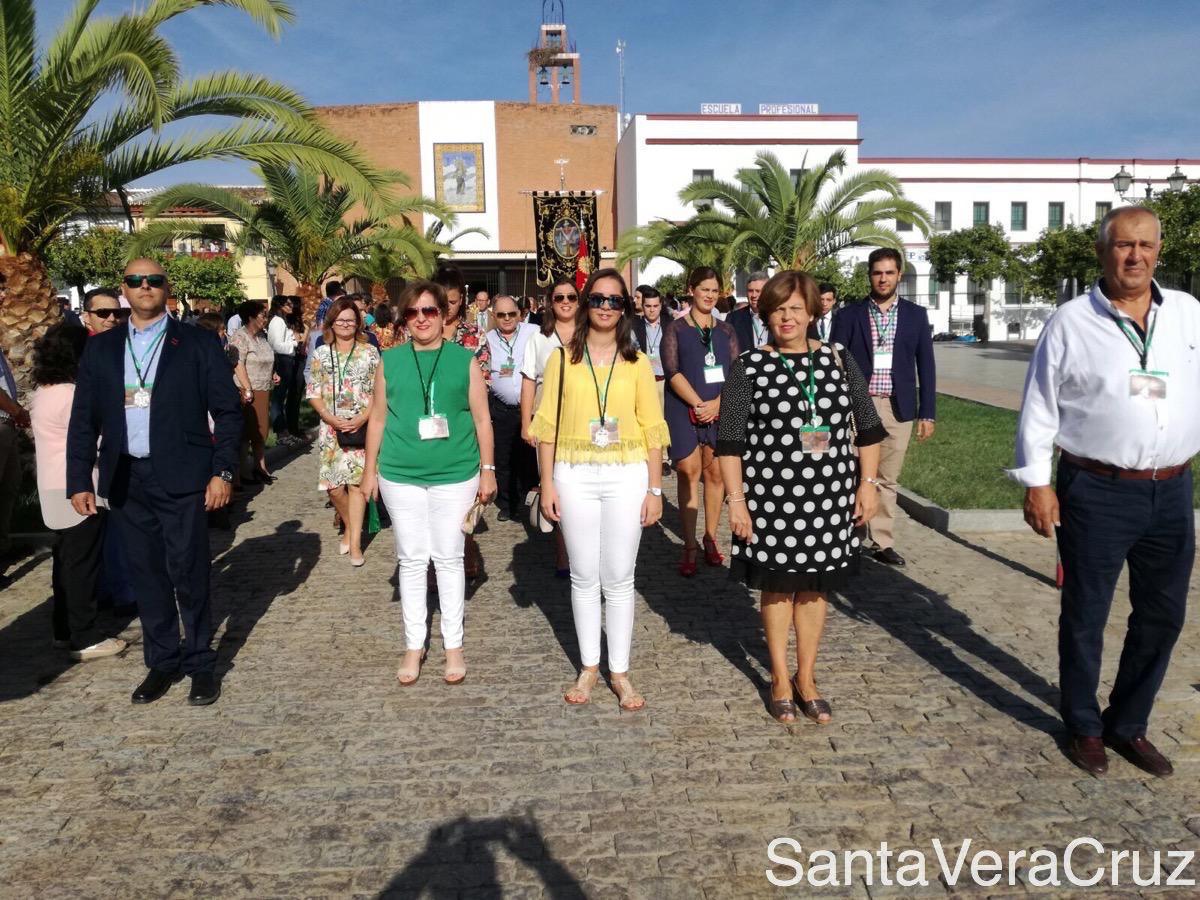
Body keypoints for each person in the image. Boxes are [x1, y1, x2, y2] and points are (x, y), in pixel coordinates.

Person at [1010, 206, 1197, 779]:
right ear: (1102, 252)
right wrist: (1037, 483)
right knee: (1087, 612)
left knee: (1163, 615)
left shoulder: (1189, 314)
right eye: (1122, 245)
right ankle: (1084, 725)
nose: (1134, 255)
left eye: (1144, 244)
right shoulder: (1071, 322)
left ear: (1159, 251)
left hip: (1171, 489)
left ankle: (1128, 724)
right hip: (1096, 488)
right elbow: (1039, 405)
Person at [67, 258, 240, 706]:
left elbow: (227, 411)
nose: (145, 287)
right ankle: (162, 660)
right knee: (146, 575)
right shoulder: (102, 349)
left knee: (189, 571)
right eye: (135, 281)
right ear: (123, 289)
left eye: (154, 280)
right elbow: (83, 419)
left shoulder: (197, 343)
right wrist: (78, 478)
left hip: (183, 475)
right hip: (126, 476)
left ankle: (201, 661)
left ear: (167, 287)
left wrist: (222, 472)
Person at [717, 271, 885, 723]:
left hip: (831, 498)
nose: (786, 317)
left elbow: (868, 430)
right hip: (770, 500)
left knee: (814, 589)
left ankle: (806, 676)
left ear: (812, 312)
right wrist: (737, 501)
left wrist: (867, 486)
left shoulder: (838, 358)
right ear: (764, 313)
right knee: (777, 588)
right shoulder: (749, 366)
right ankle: (777, 676)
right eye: (777, 308)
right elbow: (729, 442)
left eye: (795, 308)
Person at [533, 268, 669, 710]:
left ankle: (620, 671)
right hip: (573, 474)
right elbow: (548, 426)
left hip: (626, 474)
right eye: (598, 299)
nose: (605, 307)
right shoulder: (561, 360)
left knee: (620, 577)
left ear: (625, 308)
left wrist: (655, 489)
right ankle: (590, 665)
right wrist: (547, 482)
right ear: (587, 304)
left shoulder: (637, 364)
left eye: (614, 300)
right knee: (583, 575)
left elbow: (652, 428)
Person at [361, 281, 496, 686]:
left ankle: (453, 644)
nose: (421, 319)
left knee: (450, 558)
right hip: (400, 474)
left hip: (455, 472)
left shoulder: (464, 360)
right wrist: (370, 469)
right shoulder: (389, 361)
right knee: (412, 557)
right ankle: (414, 643)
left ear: (444, 314)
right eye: (414, 312)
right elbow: (379, 418)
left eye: (430, 311)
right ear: (404, 318)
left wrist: (488, 469)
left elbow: (482, 419)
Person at [830, 248, 935, 566]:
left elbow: (925, 365)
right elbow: (835, 362)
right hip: (856, 407)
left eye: (889, 272)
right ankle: (850, 536)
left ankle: (882, 541)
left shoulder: (916, 315)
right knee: (850, 471)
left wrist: (927, 411)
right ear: (870, 276)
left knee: (886, 478)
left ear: (899, 275)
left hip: (896, 406)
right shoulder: (849, 316)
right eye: (878, 272)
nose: (883, 278)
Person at [31, 324, 130, 661]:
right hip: (79, 485)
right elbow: (95, 436)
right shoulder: (72, 395)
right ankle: (85, 636)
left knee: (66, 564)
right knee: (82, 566)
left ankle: (64, 629)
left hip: (52, 484)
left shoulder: (44, 390)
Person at [662, 266, 740, 576]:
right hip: (684, 406)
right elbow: (672, 370)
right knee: (688, 470)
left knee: (716, 473)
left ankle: (710, 537)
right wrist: (698, 403)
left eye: (713, 290)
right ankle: (689, 545)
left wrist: (718, 404)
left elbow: (736, 373)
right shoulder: (676, 329)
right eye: (703, 288)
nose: (708, 295)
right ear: (691, 289)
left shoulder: (726, 331)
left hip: (719, 406)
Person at [307, 297, 380, 566]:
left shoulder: (370, 352)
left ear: (358, 322)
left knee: (357, 485)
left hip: (362, 426)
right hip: (331, 429)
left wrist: (363, 417)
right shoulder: (321, 353)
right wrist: (330, 418)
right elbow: (313, 391)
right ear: (331, 323)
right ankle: (350, 526)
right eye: (340, 320)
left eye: (351, 319)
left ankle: (357, 545)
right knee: (335, 489)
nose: (346, 324)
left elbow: (377, 391)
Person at [434, 266, 491, 579]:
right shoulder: (416, 330)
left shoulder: (473, 336)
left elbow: (484, 381)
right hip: (423, 431)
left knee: (461, 502)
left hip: (462, 427)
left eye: (452, 302)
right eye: (440, 301)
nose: (445, 309)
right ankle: (433, 566)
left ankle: (465, 549)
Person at [520, 277, 578, 577]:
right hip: (549, 416)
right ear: (550, 303)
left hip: (583, 419)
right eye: (559, 298)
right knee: (556, 483)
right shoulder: (538, 338)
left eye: (571, 296)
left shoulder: (590, 333)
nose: (565, 302)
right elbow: (528, 381)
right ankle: (563, 550)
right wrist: (525, 423)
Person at [484, 296, 538, 521]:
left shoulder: (534, 331)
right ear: (494, 316)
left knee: (529, 457)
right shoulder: (487, 339)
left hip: (531, 407)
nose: (507, 319)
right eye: (501, 315)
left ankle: (530, 498)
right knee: (504, 457)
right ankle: (507, 504)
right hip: (502, 409)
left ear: (520, 313)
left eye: (511, 314)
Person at [229, 301, 277, 484]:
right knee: (246, 432)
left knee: (261, 431)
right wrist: (247, 387)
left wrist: (274, 373)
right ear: (250, 317)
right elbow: (237, 363)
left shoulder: (262, 337)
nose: (265, 319)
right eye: (262, 315)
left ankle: (260, 466)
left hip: (264, 387)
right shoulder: (239, 337)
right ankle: (242, 473)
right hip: (246, 389)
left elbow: (266, 359)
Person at [266, 295, 305, 447]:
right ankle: (281, 432)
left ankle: (285, 431)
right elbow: (276, 345)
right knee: (278, 398)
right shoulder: (278, 321)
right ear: (280, 305)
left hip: (288, 360)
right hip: (283, 360)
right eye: (287, 304)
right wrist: (295, 343)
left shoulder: (282, 321)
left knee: (282, 396)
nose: (291, 307)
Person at [636, 287, 667, 411]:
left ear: (660, 306)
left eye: (655, 306)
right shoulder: (634, 325)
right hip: (643, 382)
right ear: (643, 306)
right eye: (648, 306)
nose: (652, 310)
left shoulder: (670, 324)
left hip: (664, 382)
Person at [728, 272, 769, 353]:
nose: (754, 295)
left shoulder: (778, 316)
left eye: (758, 291)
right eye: (750, 291)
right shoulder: (733, 319)